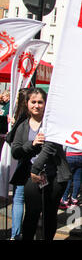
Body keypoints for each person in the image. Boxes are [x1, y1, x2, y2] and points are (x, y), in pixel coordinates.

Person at [11, 88, 71, 240]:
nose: (36, 105)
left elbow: (49, 148)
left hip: (54, 176)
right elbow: (16, 151)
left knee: (49, 215)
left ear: (45, 104)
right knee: (31, 213)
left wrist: (36, 168)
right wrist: (32, 144)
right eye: (33, 102)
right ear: (27, 103)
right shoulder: (23, 126)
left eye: (40, 102)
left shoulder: (51, 124)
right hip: (31, 177)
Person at [7, 88, 30, 240]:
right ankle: (21, 232)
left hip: (24, 164)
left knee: (20, 199)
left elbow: (11, 139)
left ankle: (17, 233)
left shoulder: (23, 117)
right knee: (27, 201)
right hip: (27, 164)